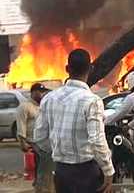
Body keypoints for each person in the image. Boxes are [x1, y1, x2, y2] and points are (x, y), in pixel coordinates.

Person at [34, 49, 114, 193]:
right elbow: (96, 140)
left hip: (61, 173)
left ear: (67, 69)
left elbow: (39, 137)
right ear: (90, 68)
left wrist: (59, 151)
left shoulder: (49, 99)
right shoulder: (92, 101)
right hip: (87, 173)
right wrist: (108, 171)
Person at [16, 83, 54, 193]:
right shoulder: (24, 106)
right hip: (32, 143)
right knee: (41, 166)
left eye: (43, 92)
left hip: (43, 142)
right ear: (33, 92)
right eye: (40, 92)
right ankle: (39, 186)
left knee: (44, 167)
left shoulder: (42, 106)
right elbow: (21, 124)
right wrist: (22, 142)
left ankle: (40, 184)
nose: (42, 94)